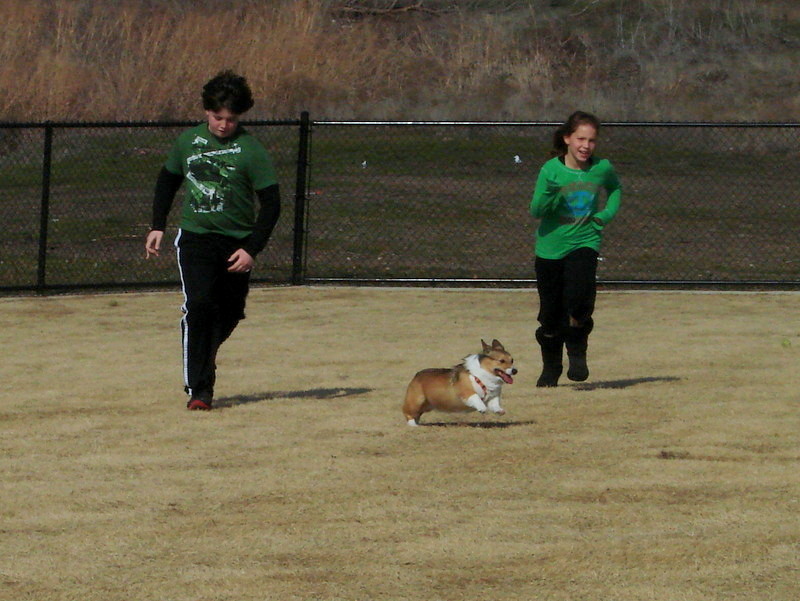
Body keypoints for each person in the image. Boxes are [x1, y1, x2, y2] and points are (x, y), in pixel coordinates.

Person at [145, 70, 281, 410]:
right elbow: (167, 180)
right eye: (218, 117)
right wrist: (157, 225)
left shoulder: (250, 150)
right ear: (207, 112)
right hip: (196, 239)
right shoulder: (188, 142)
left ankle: (202, 349)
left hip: (236, 244)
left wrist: (251, 249)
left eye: (231, 119)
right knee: (200, 305)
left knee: (232, 312)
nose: (223, 125)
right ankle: (199, 390)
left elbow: (272, 204)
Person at [529, 111, 621, 387]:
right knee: (550, 315)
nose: (586, 146)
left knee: (580, 299)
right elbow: (536, 211)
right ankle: (551, 368)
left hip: (585, 241)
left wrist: (604, 216)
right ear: (568, 138)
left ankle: (577, 352)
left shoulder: (601, 168)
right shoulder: (551, 170)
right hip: (550, 247)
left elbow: (615, 189)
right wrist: (550, 192)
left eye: (592, 141)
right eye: (581, 139)